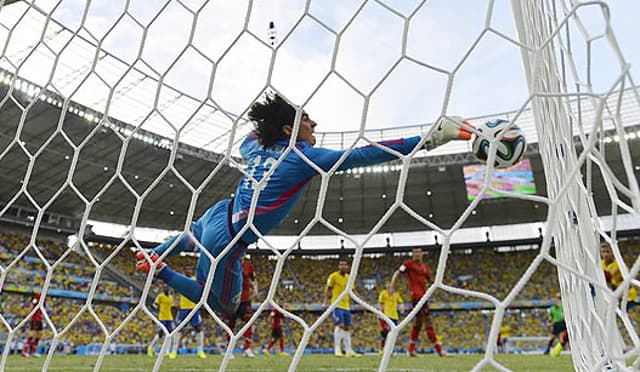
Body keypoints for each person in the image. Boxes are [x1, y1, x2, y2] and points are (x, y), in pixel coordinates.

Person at [135, 93, 473, 317]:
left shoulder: (254, 149)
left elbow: (249, 139)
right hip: (231, 239)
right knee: (222, 305)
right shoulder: (303, 158)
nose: (315, 125)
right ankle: (160, 268)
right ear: (290, 129)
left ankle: (155, 254)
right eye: (308, 120)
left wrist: (273, 127)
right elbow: (362, 154)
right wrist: (427, 138)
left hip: (216, 215)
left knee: (190, 235)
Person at [390, 247, 446, 357]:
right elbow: (398, 272)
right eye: (415, 252)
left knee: (418, 323)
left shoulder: (425, 267)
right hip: (416, 297)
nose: (417, 254)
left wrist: (439, 284)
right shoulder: (408, 264)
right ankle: (439, 350)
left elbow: (430, 280)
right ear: (412, 254)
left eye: (419, 252)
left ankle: (411, 350)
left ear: (422, 254)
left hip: (424, 297)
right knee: (428, 321)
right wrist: (392, 286)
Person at [322, 258, 360, 357]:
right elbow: (327, 289)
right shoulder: (333, 276)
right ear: (339, 266)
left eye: (344, 265)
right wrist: (325, 302)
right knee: (340, 325)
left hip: (346, 306)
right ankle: (337, 349)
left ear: (348, 267)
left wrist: (360, 300)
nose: (343, 266)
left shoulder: (349, 277)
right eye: (341, 264)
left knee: (347, 328)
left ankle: (349, 351)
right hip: (336, 304)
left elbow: (353, 290)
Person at [223, 257, 258, 358]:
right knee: (231, 324)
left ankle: (247, 348)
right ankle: (229, 350)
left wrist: (255, 288)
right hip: (232, 300)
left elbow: (253, 279)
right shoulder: (229, 264)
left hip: (245, 300)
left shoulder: (248, 266)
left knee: (249, 321)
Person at [175, 269, 207, 359]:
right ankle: (174, 351)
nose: (188, 270)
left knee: (198, 328)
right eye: (186, 268)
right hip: (183, 308)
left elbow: (201, 291)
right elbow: (175, 291)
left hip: (194, 307)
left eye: (189, 268)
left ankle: (200, 351)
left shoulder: (195, 280)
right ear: (184, 270)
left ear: (192, 271)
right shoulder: (181, 279)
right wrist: (176, 301)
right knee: (178, 329)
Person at [601, 243, 638, 308]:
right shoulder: (600, 264)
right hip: (611, 295)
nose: (605, 254)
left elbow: (629, 283)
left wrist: (614, 285)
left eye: (608, 252)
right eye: (603, 252)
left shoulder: (620, 265)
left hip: (626, 297)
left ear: (613, 252)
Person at [148, 287, 178, 359]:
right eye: (166, 289)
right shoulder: (160, 296)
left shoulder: (171, 297)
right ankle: (151, 347)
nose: (167, 290)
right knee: (160, 334)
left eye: (168, 289)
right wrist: (155, 315)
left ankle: (166, 352)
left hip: (169, 318)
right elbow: (155, 305)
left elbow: (172, 307)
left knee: (170, 334)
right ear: (163, 290)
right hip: (162, 317)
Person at [378, 281, 403, 353]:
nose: (390, 288)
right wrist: (381, 313)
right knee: (386, 332)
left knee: (393, 334)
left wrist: (401, 308)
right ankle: (385, 349)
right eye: (388, 287)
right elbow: (380, 303)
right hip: (387, 316)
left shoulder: (396, 295)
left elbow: (400, 302)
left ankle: (389, 349)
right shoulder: (383, 293)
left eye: (391, 287)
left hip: (395, 316)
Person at [22, 293, 45, 357]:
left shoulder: (45, 297)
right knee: (32, 334)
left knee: (39, 335)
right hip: (35, 319)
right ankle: (25, 351)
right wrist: (30, 315)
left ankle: (33, 352)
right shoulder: (38, 296)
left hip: (39, 319)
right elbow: (32, 305)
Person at [546, 292, 568, 357]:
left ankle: (562, 350)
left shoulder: (562, 307)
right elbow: (550, 317)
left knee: (564, 336)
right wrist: (549, 322)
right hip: (556, 324)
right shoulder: (551, 309)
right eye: (553, 302)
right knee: (552, 337)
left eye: (555, 301)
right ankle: (548, 349)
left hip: (563, 322)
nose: (554, 303)